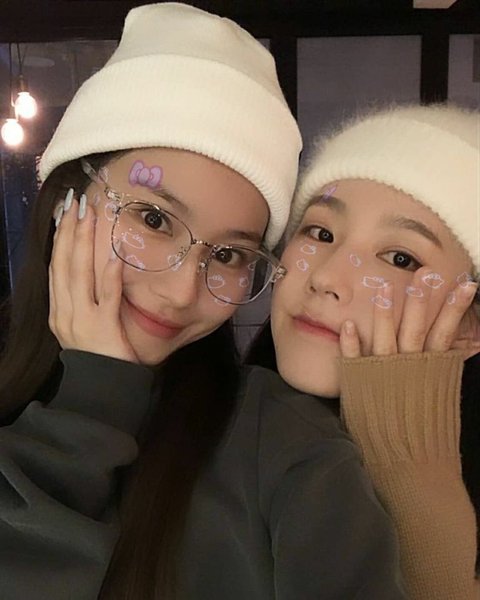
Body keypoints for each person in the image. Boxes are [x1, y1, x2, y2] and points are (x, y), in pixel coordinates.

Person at [0, 3, 407, 600]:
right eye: (153, 219)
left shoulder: (288, 449)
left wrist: (96, 391)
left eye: (230, 254)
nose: (182, 292)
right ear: (66, 199)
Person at [255, 103, 480, 599]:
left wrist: (410, 467)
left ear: (470, 327)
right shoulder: (194, 426)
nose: (327, 277)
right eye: (320, 233)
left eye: (400, 258)